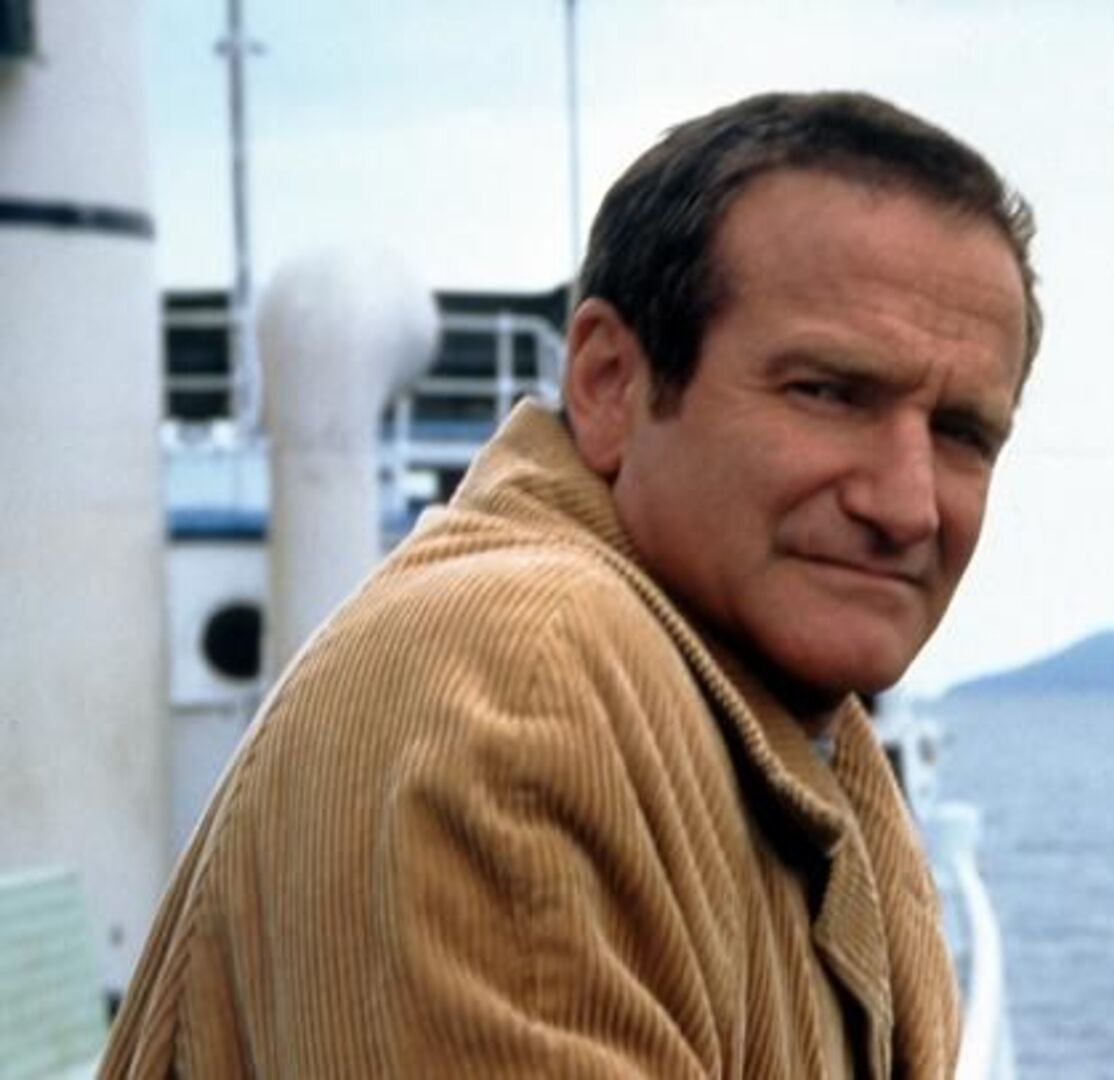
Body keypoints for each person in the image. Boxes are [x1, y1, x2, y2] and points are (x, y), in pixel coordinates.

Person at [102, 90, 1040, 1079]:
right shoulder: (528, 679)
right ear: (608, 384)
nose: (907, 507)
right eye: (829, 392)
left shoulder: (783, 718)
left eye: (960, 434)